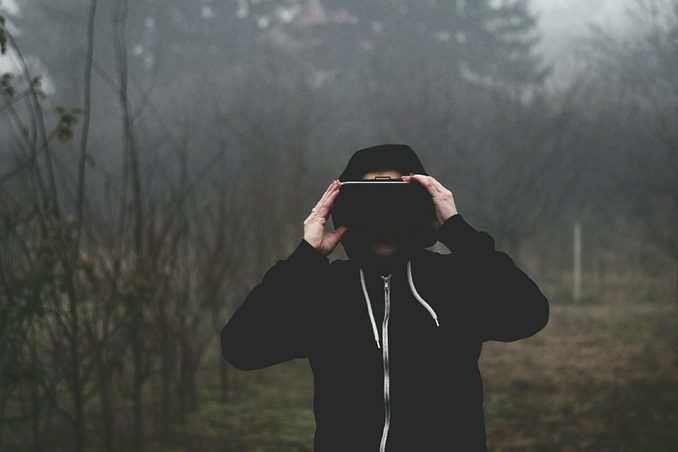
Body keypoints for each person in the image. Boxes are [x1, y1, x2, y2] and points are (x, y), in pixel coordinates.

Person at [220, 144, 550, 451]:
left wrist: (456, 229)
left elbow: (529, 312)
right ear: (349, 209)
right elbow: (242, 347)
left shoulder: (454, 282)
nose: (383, 215)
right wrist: (306, 256)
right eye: (370, 202)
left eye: (396, 201)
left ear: (419, 208)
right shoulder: (326, 293)